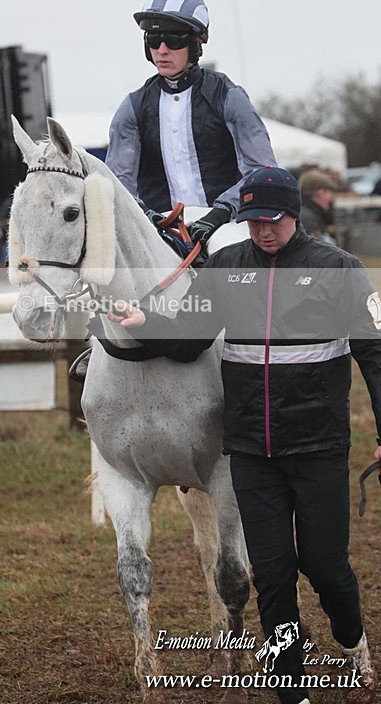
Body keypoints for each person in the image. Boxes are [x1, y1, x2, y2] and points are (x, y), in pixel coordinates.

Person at [108, 167, 380, 704]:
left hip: (320, 447)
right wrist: (146, 322)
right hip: (253, 451)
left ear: (295, 214)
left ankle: (352, 640)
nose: (263, 232)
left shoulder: (340, 268)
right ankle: (290, 691)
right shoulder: (226, 267)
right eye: (254, 222)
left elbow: (374, 352)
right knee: (273, 576)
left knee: (325, 568)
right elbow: (189, 340)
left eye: (273, 220)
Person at [70, 0, 276, 382]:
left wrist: (220, 213)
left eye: (173, 39)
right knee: (115, 263)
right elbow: (119, 179)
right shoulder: (132, 106)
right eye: (153, 40)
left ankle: (258, 356)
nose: (162, 50)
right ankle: (99, 349)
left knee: (245, 267)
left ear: (197, 43)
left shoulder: (228, 96)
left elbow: (261, 168)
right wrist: (145, 213)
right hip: (160, 219)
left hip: (225, 222)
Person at [299, 169, 338, 243]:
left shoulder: (313, 214)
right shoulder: (308, 219)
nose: (331, 198)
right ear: (320, 192)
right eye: (329, 192)